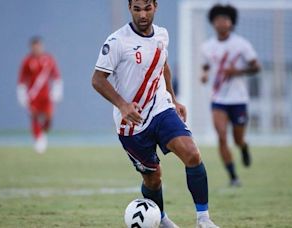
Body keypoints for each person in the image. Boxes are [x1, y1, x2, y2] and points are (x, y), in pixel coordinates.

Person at [92, 1, 219, 227]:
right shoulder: (117, 41)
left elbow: (163, 66)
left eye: (147, 8)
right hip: (131, 123)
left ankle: (203, 219)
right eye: (137, 9)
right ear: (129, 8)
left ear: (155, 7)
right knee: (153, 178)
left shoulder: (162, 35)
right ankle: (160, 219)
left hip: (160, 108)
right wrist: (122, 105)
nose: (142, 14)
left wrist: (173, 98)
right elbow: (97, 79)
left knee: (192, 154)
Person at [200, 4, 261, 187]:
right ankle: (233, 177)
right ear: (213, 22)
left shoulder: (241, 44)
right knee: (221, 137)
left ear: (231, 22)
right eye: (218, 19)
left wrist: (237, 71)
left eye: (225, 19)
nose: (221, 23)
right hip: (218, 99)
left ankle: (243, 146)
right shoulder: (207, 46)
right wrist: (204, 74)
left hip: (239, 99)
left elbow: (256, 66)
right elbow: (206, 66)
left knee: (237, 138)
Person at [17, 36, 63, 154]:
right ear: (31, 47)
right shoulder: (27, 61)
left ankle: (43, 133)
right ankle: (38, 139)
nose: (37, 49)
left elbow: (56, 76)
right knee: (35, 117)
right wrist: (22, 94)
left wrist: (57, 91)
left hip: (46, 96)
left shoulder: (49, 59)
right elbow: (22, 79)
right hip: (33, 96)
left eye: (39, 46)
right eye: (34, 47)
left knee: (48, 117)